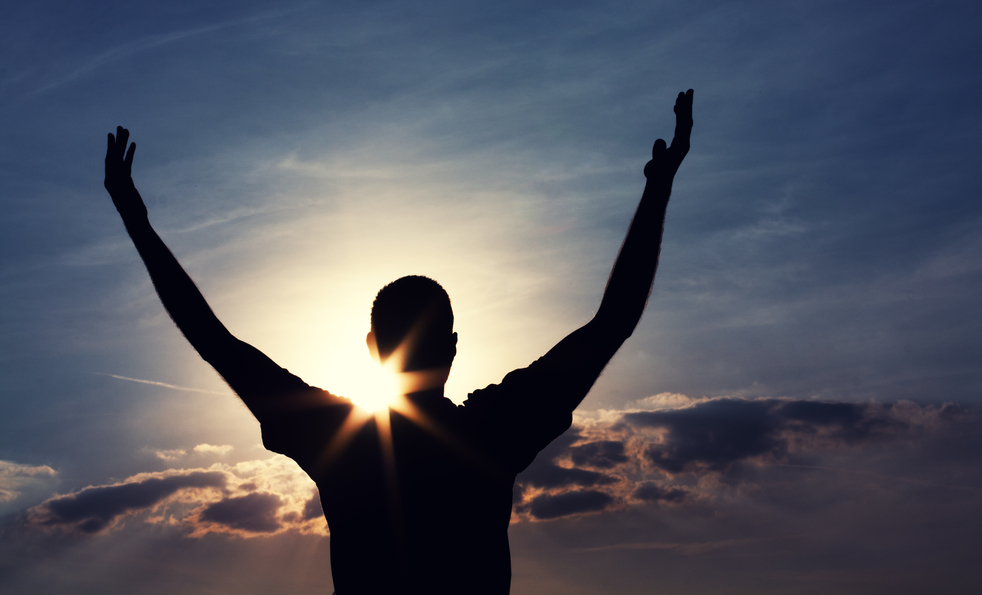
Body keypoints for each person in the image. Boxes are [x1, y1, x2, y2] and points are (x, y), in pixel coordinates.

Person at [104, 89, 694, 595]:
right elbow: (612, 321)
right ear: (455, 346)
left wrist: (137, 222)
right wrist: (658, 190)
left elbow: (214, 340)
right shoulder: (492, 432)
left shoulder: (336, 438)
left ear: (371, 349)